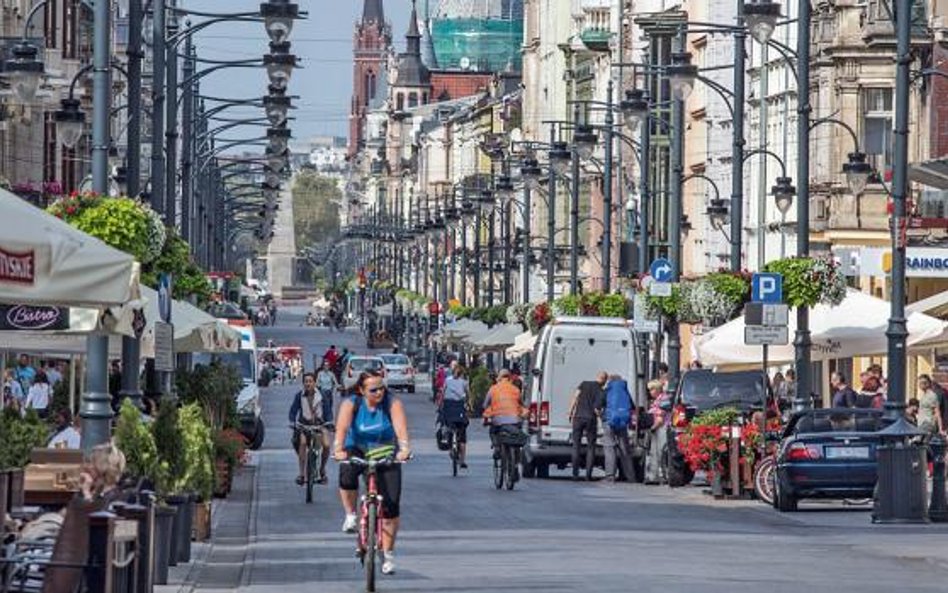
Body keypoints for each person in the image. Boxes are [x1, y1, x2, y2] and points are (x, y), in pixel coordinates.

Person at [333, 372, 411, 576]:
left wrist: (403, 449)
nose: (379, 392)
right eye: (373, 390)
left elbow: (401, 429)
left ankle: (388, 553)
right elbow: (341, 428)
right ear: (361, 390)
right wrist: (338, 448)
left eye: (382, 388)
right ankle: (350, 515)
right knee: (347, 474)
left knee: (391, 506)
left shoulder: (392, 403)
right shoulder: (352, 403)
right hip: (357, 447)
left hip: (384, 450)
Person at [288, 372, 332, 485]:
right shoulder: (299, 395)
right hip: (304, 425)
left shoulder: (322, 395)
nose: (308, 384)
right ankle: (302, 474)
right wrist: (292, 421)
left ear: (315, 383)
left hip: (319, 425)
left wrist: (329, 422)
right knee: (302, 443)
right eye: (306, 381)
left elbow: (328, 411)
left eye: (310, 381)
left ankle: (322, 470)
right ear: (303, 383)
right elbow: (293, 410)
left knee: (326, 445)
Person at [567, 371, 607, 481]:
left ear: (597, 377)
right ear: (604, 380)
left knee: (576, 446)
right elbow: (596, 409)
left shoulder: (584, 384)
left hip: (578, 417)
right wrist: (602, 418)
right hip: (590, 419)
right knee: (590, 447)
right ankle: (588, 475)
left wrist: (570, 412)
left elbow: (575, 397)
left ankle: (575, 474)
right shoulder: (601, 391)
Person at [482, 369, 528, 453]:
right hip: (515, 420)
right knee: (517, 432)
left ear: (498, 378)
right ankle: (517, 455)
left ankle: (496, 447)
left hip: (498, 421)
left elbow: (485, 405)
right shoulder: (515, 389)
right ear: (510, 378)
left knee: (492, 431)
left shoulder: (493, 389)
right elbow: (522, 404)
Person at [601, 375, 636, 483]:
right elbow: (632, 407)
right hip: (622, 423)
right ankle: (630, 476)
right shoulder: (624, 391)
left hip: (609, 422)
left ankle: (610, 476)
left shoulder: (608, 390)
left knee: (609, 448)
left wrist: (602, 416)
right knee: (624, 449)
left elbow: (599, 405)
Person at [439, 364, 470, 468]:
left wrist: (440, 405)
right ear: (461, 373)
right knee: (462, 437)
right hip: (460, 408)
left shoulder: (447, 380)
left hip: (448, 407)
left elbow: (443, 393)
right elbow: (468, 395)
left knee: (448, 428)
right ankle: (462, 460)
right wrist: (469, 405)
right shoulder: (464, 382)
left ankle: (450, 447)